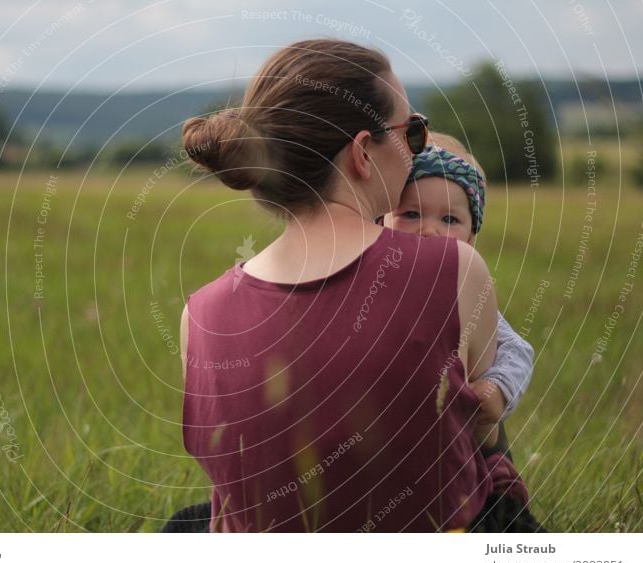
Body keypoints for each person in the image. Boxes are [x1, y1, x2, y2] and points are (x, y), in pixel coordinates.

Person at [168, 39, 541, 532]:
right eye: (412, 133)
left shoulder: (199, 316)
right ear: (363, 152)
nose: (419, 150)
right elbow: (478, 424)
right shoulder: (455, 268)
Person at [383, 133, 535, 457]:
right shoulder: (372, 286)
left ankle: (498, 492)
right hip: (393, 435)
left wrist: (495, 391)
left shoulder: (464, 293)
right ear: (380, 221)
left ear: (470, 240)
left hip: (461, 430)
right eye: (411, 214)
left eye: (449, 219)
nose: (429, 230)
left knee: (488, 434)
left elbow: (516, 349)